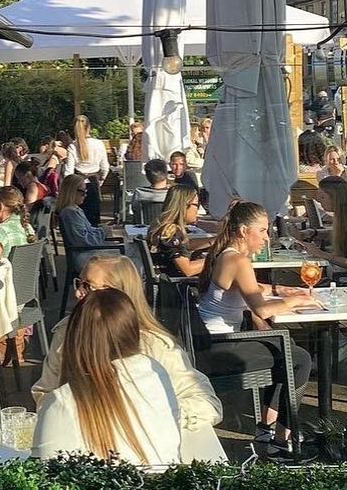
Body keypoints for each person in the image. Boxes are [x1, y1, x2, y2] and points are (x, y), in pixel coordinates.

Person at [34, 253, 223, 460]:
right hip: (77, 447)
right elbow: (45, 392)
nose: (79, 293)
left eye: (88, 286)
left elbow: (208, 404)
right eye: (79, 283)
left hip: (141, 455)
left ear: (117, 296)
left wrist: (151, 414)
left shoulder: (155, 346)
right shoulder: (66, 332)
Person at [197, 202, 314, 457]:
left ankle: (267, 430)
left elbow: (248, 288)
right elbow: (261, 310)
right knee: (299, 359)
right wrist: (297, 300)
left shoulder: (225, 253)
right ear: (243, 231)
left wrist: (280, 290)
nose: (266, 237)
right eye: (261, 231)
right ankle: (283, 442)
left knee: (284, 349)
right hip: (219, 347)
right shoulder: (238, 259)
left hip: (209, 340)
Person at [32, 287, 181, 466]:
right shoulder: (155, 370)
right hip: (163, 487)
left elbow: (46, 479)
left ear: (72, 337)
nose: (78, 291)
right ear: (133, 331)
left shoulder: (62, 402)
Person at [55, 174, 123, 282]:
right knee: (133, 251)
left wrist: (103, 228)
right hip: (85, 256)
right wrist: (103, 230)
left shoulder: (73, 210)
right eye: (82, 192)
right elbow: (84, 240)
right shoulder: (70, 212)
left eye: (85, 192)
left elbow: (86, 234)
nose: (85, 195)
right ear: (72, 192)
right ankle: (134, 288)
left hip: (86, 252)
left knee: (130, 248)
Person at [145, 184, 211, 278]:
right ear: (184, 206)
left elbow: (185, 244)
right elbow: (188, 270)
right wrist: (216, 260)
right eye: (196, 204)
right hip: (175, 285)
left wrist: (216, 240)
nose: (198, 209)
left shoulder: (163, 226)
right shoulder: (170, 232)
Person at [66, 115, 109, 225]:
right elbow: (105, 167)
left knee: (78, 218)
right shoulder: (99, 144)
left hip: (77, 183)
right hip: (93, 182)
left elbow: (68, 171)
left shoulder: (72, 146)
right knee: (93, 216)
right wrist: (100, 181)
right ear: (89, 127)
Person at [0, 186, 35, 266]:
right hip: (24, 276)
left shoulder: (0, 231)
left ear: (0, 206)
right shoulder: (27, 227)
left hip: (3, 277)